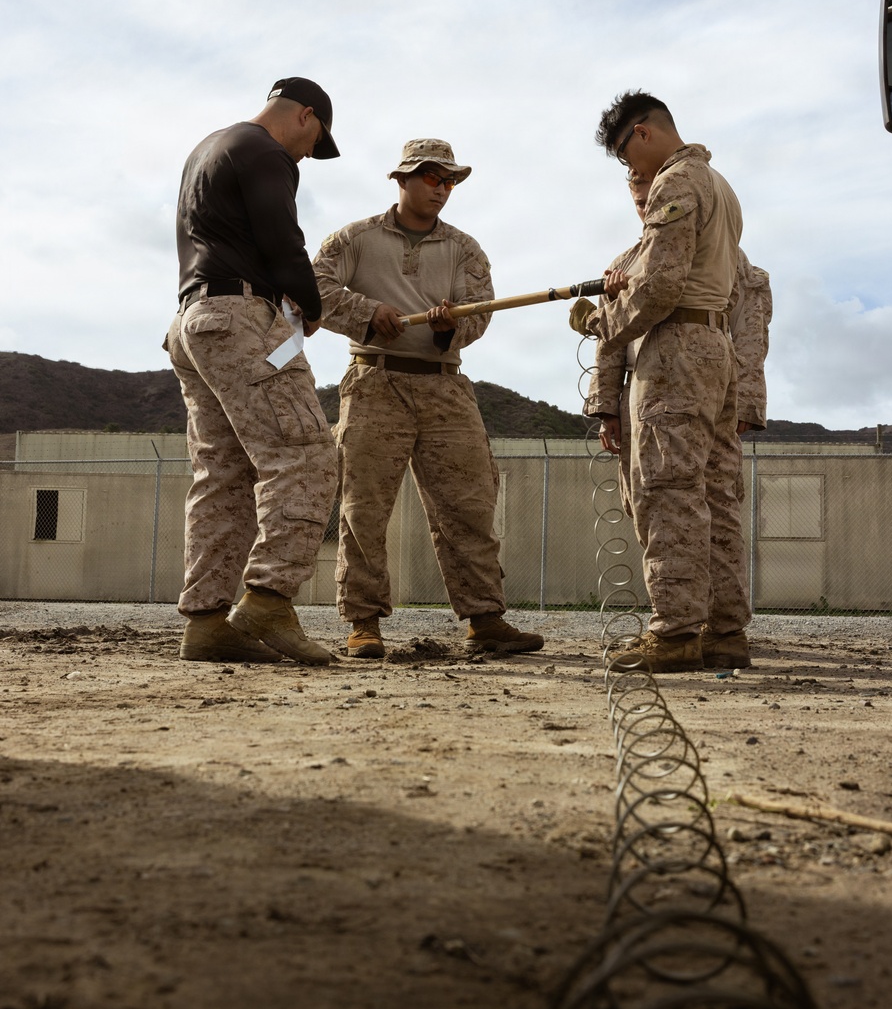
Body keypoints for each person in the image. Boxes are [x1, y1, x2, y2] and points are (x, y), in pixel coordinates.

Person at [312, 138, 543, 659]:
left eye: (450, 181)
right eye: (432, 178)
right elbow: (313, 290)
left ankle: (485, 619)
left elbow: (479, 311)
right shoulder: (354, 239)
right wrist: (368, 312)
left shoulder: (465, 249)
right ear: (402, 179)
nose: (441, 189)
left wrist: (450, 328)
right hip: (375, 383)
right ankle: (364, 623)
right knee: (364, 508)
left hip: (445, 385)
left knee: (469, 505)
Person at [570, 91, 750, 673]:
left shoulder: (676, 181)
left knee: (667, 490)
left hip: (675, 350)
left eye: (626, 155)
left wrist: (601, 321)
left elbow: (661, 286)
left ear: (643, 133)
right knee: (715, 494)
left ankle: (674, 632)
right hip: (714, 348)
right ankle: (725, 631)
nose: (631, 170)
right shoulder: (719, 184)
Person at [167, 77, 340, 667]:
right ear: (306, 116)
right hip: (241, 318)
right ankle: (269, 600)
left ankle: (207, 622)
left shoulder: (208, 148)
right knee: (305, 455)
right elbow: (282, 238)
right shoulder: (266, 151)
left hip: (192, 322)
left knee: (224, 472)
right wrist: (309, 304)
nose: (307, 156)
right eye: (314, 143)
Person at [585, 170, 771, 514]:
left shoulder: (726, 256)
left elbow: (751, 330)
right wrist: (606, 406)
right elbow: (609, 342)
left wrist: (747, 399)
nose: (647, 210)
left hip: (705, 383)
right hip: (641, 389)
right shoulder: (625, 264)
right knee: (650, 502)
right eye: (640, 203)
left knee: (714, 498)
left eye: (652, 201)